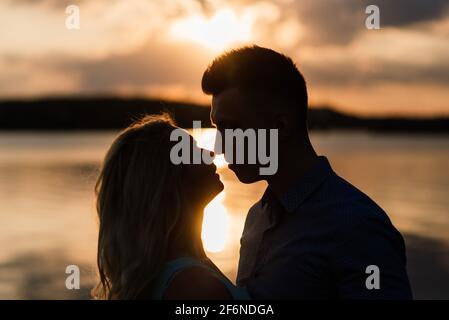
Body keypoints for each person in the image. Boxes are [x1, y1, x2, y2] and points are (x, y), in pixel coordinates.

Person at [201, 45, 413, 299]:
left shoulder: (358, 226)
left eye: (231, 128)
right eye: (218, 128)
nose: (219, 146)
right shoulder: (257, 216)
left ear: (280, 126)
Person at [92, 113, 249, 300]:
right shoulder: (194, 287)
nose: (210, 153)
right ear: (169, 177)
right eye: (194, 150)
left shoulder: (173, 271)